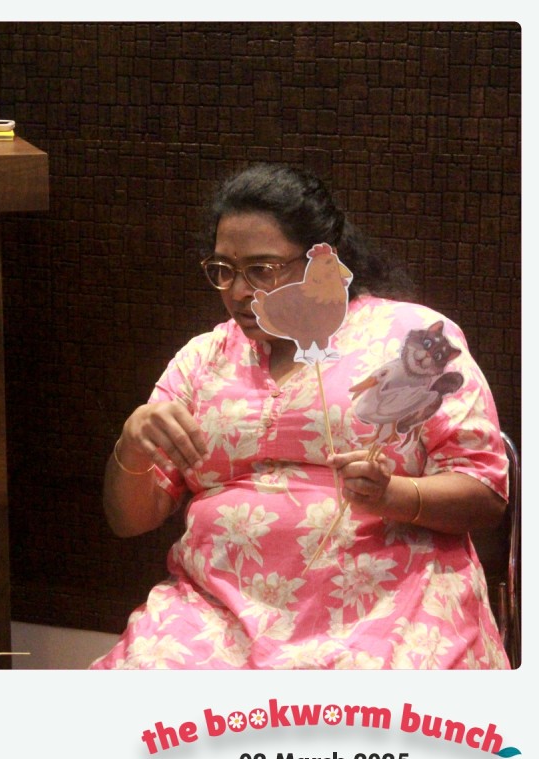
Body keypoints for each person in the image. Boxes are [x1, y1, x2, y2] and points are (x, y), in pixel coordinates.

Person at [90, 162, 509, 670]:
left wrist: (393, 494)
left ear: (319, 260)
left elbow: (485, 494)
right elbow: (129, 520)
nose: (238, 291)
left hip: (389, 609)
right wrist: (130, 446)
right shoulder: (203, 359)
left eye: (262, 270)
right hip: (216, 617)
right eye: (223, 270)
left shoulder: (412, 337)